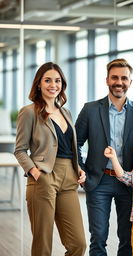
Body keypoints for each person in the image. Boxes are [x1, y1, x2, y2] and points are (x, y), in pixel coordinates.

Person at [75, 58, 133, 256]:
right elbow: (74, 143)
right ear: (107, 80)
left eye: (124, 78)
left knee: (128, 237)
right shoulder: (90, 109)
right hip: (98, 181)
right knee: (98, 236)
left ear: (130, 82)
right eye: (115, 77)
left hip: (129, 183)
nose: (119, 82)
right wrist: (81, 169)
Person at [14, 62, 87, 256]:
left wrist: (79, 168)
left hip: (69, 178)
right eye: (47, 80)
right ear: (39, 84)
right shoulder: (29, 112)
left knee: (78, 244)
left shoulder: (66, 112)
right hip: (44, 177)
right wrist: (35, 172)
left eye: (57, 81)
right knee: (43, 244)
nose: (53, 85)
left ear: (62, 85)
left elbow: (70, 147)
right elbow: (20, 150)